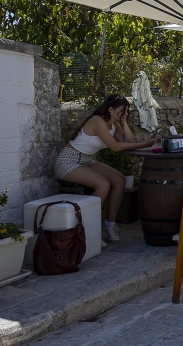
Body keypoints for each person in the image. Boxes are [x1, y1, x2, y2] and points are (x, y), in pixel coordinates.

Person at [54, 94, 157, 243]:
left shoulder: (114, 125)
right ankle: (88, 227)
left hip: (87, 159)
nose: (125, 113)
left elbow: (128, 142)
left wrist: (124, 122)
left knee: (120, 180)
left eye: (127, 111)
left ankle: (110, 224)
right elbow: (115, 147)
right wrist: (144, 144)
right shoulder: (97, 121)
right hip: (68, 161)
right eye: (123, 110)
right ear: (111, 109)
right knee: (103, 185)